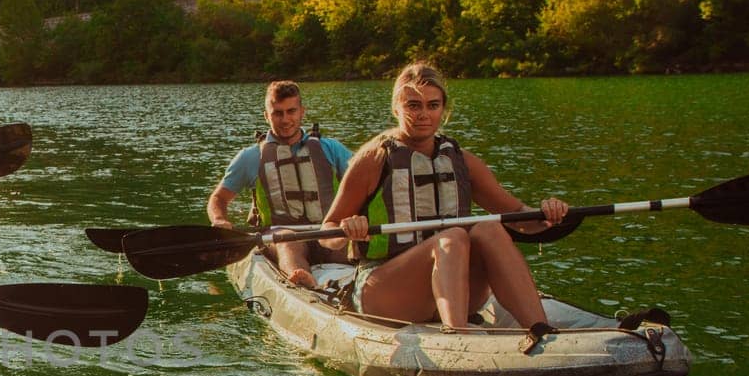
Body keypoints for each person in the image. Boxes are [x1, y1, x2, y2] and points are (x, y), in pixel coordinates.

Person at [320, 61, 568, 343]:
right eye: (413, 105)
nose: (423, 114)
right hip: (385, 292)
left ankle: (542, 331)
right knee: (452, 238)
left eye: (432, 105)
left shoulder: (463, 162)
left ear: (443, 109)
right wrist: (346, 229)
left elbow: (520, 218)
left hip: (458, 289)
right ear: (396, 109)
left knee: (489, 228)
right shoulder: (373, 160)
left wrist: (548, 213)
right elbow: (327, 231)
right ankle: (458, 339)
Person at [206, 80, 353, 288]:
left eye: (291, 111)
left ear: (302, 112)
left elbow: (366, 183)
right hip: (279, 234)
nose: (285, 120)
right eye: (277, 113)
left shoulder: (331, 148)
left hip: (327, 231)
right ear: (267, 116)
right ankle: (301, 278)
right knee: (287, 240)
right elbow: (219, 198)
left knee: (350, 245)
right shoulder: (251, 157)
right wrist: (220, 220)